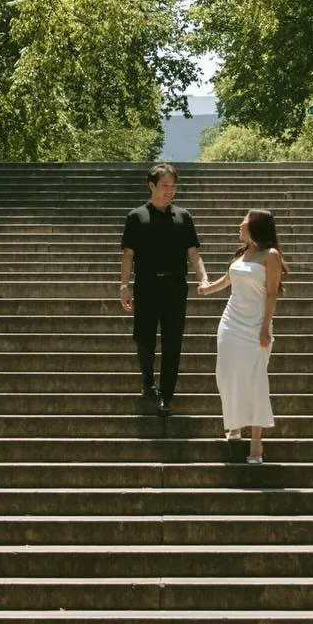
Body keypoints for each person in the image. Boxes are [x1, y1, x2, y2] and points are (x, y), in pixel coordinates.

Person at [118, 162, 208, 421]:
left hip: (175, 286)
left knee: (173, 341)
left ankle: (166, 395)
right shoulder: (136, 216)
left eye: (173, 186)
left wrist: (203, 278)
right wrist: (124, 286)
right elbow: (128, 255)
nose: (170, 191)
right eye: (165, 186)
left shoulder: (184, 217)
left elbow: (194, 253)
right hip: (146, 285)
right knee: (144, 338)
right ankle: (148, 379)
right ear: (152, 185)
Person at [198, 208, 288, 463]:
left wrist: (264, 328)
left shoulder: (271, 256)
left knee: (255, 379)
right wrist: (207, 289)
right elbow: (228, 280)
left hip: (255, 326)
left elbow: (271, 294)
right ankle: (234, 423)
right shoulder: (242, 254)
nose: (239, 225)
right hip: (230, 324)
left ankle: (256, 441)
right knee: (226, 375)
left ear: (256, 227)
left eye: (244, 222)